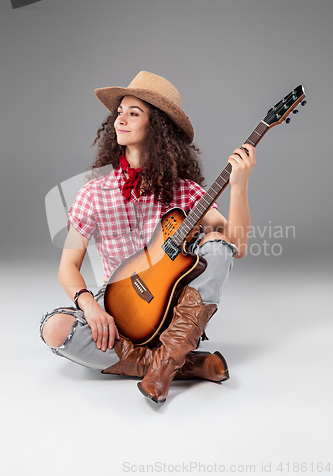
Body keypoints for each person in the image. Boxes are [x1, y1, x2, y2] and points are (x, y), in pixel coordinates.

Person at [40, 71, 255, 404]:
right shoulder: (93, 193)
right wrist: (90, 308)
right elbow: (68, 266)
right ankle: (178, 365)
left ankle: (166, 358)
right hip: (116, 312)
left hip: (169, 314)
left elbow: (236, 247)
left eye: (133, 113)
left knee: (217, 245)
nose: (119, 120)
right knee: (53, 328)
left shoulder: (185, 192)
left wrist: (238, 187)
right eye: (120, 111)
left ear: (157, 127)